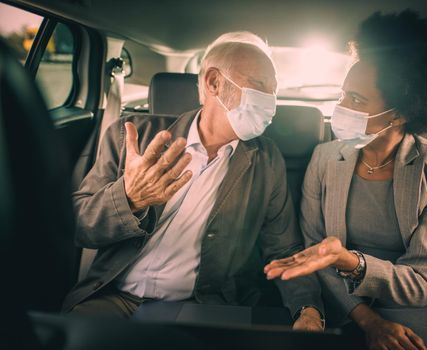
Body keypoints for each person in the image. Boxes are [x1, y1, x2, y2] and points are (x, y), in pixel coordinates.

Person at [264, 10, 427, 349]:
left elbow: (421, 286)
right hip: (350, 302)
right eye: (342, 94)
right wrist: (369, 321)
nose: (341, 108)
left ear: (400, 112)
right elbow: (319, 261)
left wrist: (350, 261)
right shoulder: (324, 159)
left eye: (356, 100)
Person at [62, 32, 324, 331]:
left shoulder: (266, 159)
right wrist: (129, 199)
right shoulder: (132, 137)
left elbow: (284, 249)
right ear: (214, 83)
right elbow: (77, 228)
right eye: (261, 85)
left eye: (274, 90)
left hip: (206, 307)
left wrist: (308, 308)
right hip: (115, 299)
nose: (272, 101)